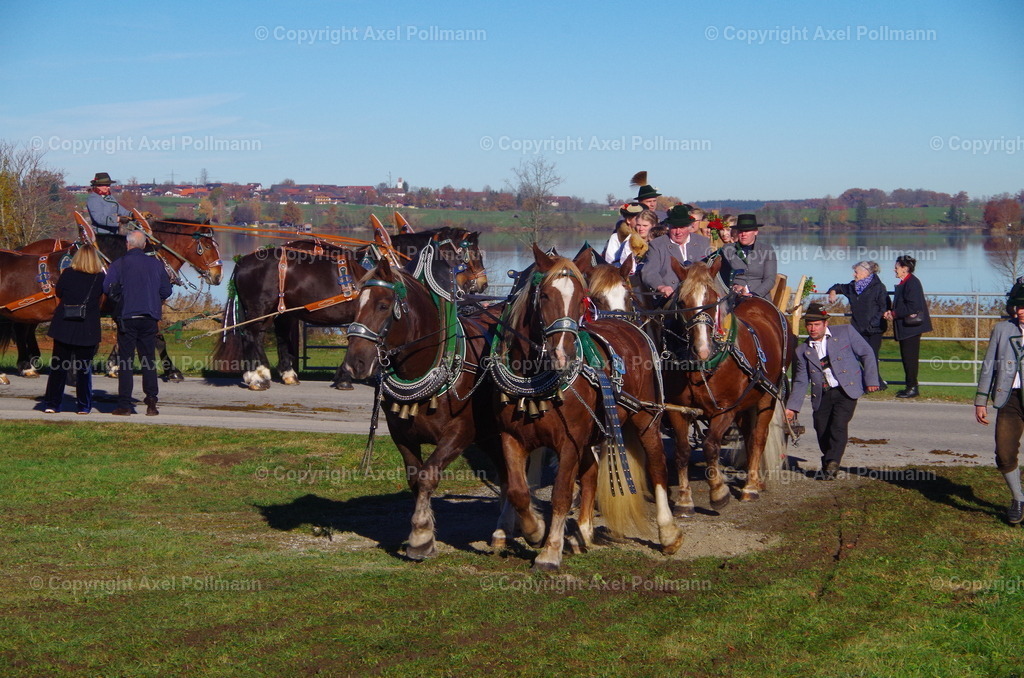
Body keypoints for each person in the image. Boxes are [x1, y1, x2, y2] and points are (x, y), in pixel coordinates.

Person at [785, 302, 880, 480]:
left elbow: (867, 352)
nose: (813, 329)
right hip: (822, 394)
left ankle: (832, 463)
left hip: (847, 390)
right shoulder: (802, 351)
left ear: (825, 323)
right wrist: (792, 407)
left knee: (838, 425)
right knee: (821, 429)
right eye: (810, 325)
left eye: (817, 325)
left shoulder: (845, 332)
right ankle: (829, 460)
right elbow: (800, 380)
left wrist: (871, 380)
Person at [103, 230, 172, 416]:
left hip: (127, 317)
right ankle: (151, 402)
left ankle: (124, 404)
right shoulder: (156, 264)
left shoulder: (119, 264)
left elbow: (106, 287)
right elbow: (166, 290)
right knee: (148, 360)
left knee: (125, 361)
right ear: (143, 246)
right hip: (149, 317)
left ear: (128, 244)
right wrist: (153, 299)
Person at [974, 280, 1024, 524]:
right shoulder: (1002, 329)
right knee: (1004, 454)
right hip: (1009, 400)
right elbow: (988, 365)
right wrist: (980, 400)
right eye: (1018, 306)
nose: (1021, 310)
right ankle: (1018, 498)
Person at [40, 244, 106, 414]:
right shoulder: (99, 278)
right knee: (84, 370)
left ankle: (52, 404)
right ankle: (83, 405)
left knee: (58, 367)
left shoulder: (67, 274)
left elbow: (60, 293)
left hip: (65, 324)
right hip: (87, 327)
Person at [827, 260, 890, 386]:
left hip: (874, 329)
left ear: (866, 273)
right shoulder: (852, 287)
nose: (854, 275)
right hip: (858, 328)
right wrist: (833, 292)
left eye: (856, 272)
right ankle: (876, 383)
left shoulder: (878, 287)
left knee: (871, 356)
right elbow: (838, 286)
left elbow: (884, 306)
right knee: (861, 356)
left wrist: (873, 323)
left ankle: (875, 383)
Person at [883, 255, 932, 398]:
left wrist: (894, 313)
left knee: (909, 358)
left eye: (897, 267)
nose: (894, 269)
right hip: (908, 328)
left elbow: (913, 306)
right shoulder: (908, 282)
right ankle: (910, 386)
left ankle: (912, 387)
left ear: (905, 269)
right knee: (907, 357)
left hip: (911, 328)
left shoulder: (912, 283)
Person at [640, 204, 712, 301]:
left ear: (689, 227)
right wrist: (661, 287)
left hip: (698, 298)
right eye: (674, 227)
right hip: (670, 299)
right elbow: (649, 272)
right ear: (669, 227)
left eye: (682, 227)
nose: (678, 232)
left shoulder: (703, 242)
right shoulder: (657, 245)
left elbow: (710, 272)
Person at [714, 214, 778, 299]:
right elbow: (722, 276)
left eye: (747, 231)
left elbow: (770, 279)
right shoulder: (728, 250)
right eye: (741, 231)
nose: (743, 234)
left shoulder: (767, 250)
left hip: (760, 297)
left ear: (755, 231)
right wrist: (735, 286)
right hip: (734, 296)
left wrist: (754, 294)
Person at [604, 208, 656, 274]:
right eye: (638, 225)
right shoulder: (630, 241)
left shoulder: (659, 241)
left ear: (653, 225)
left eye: (645, 226)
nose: (641, 229)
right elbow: (625, 262)